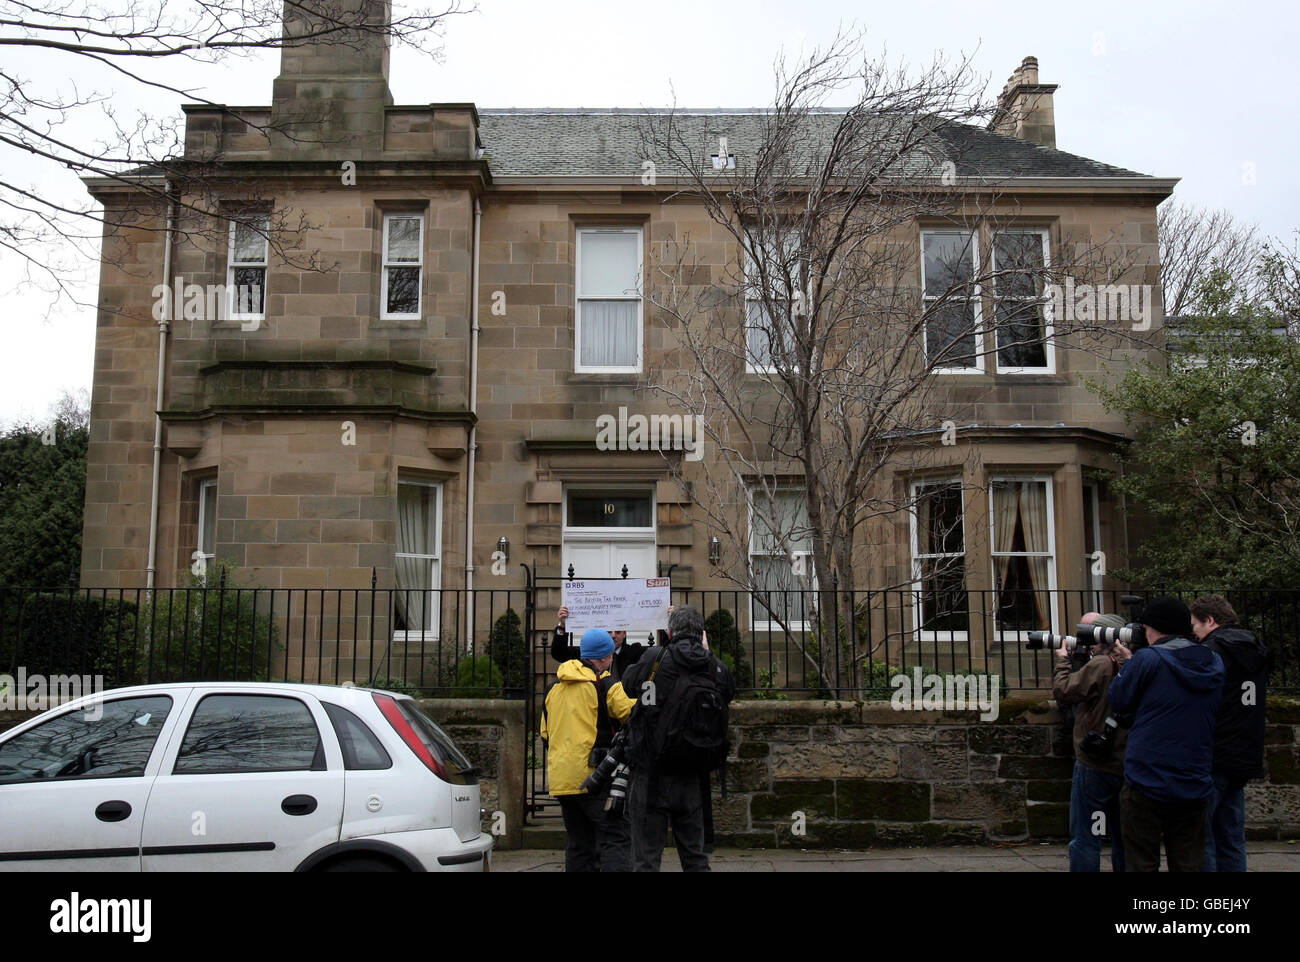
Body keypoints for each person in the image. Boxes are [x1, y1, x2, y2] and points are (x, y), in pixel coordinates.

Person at [1107, 597, 1224, 872]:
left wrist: (1130, 664)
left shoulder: (1148, 659)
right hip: (1194, 775)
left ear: (1153, 628)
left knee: (1141, 859)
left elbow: (1119, 699)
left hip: (1147, 776)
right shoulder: (1213, 661)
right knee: (1189, 860)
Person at [618, 605, 734, 872]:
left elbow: (627, 683)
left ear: (670, 631)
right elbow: (728, 692)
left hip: (652, 772)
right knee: (695, 857)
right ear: (701, 633)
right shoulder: (713, 666)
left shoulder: (655, 658)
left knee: (646, 858)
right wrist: (708, 652)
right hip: (693, 774)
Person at [540, 628, 636, 872]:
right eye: (610, 656)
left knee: (579, 843)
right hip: (595, 776)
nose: (612, 660)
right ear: (603, 658)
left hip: (562, 780)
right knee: (616, 835)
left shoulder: (553, 688)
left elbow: (545, 733)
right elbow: (629, 713)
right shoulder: (604, 683)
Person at [1191, 595, 1268, 872]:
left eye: (1195, 625)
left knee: (1203, 839)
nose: (1194, 633)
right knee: (1232, 837)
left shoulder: (1213, 651)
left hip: (1213, 754)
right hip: (1245, 753)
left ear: (1210, 620)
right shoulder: (1254, 648)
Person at [1052, 611, 1130, 872]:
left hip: (1096, 762)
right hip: (1127, 761)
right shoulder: (1134, 663)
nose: (1088, 642)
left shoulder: (1101, 665)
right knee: (1124, 834)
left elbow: (1065, 691)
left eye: (1092, 636)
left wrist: (1063, 661)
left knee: (1087, 832)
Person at [552, 605, 650, 681]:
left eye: (618, 632)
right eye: (608, 631)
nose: (613, 635)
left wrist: (665, 626)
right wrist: (563, 626)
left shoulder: (635, 652)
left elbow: (662, 655)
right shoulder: (589, 652)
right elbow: (559, 653)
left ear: (624, 634)